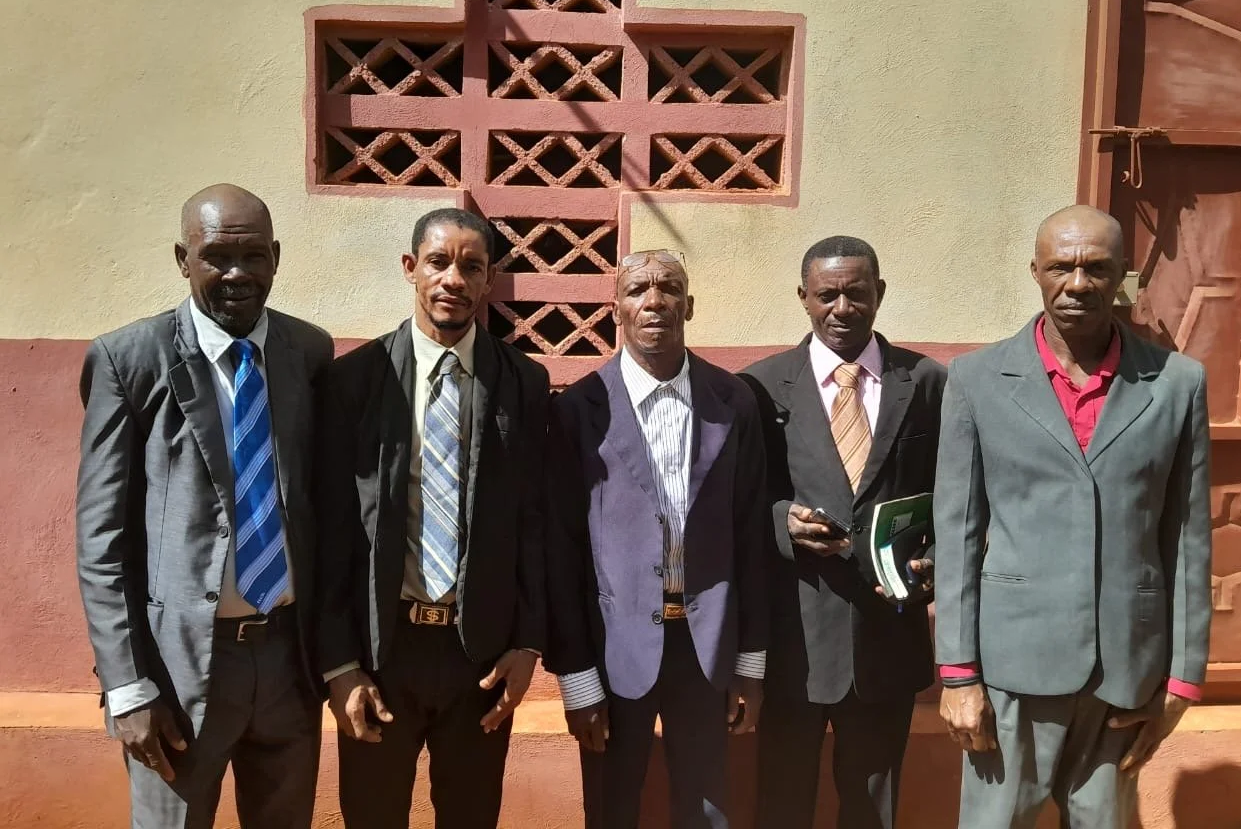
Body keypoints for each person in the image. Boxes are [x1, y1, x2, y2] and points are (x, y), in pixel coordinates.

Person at [933, 204, 1212, 828]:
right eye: (1062, 267)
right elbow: (957, 532)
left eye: (1097, 268)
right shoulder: (977, 380)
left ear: (1123, 275)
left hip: (1126, 667)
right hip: (1012, 667)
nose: (1078, 284)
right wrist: (957, 674)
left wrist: (1182, 679)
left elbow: (1188, 537)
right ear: (1035, 271)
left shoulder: (1177, 383)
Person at [75, 184, 334, 829]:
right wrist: (128, 686)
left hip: (287, 662)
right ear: (182, 259)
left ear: (276, 257)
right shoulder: (130, 359)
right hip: (178, 670)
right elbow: (102, 539)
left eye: (253, 256)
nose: (237, 274)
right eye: (217, 256)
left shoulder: (309, 353)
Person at [315, 207, 550, 829]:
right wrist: (340, 664)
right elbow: (331, 533)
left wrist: (527, 643)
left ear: (490, 279)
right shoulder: (354, 380)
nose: (454, 280)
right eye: (439, 262)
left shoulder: (524, 382)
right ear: (410, 267)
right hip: (381, 651)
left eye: (472, 267)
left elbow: (534, 521)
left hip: (481, 658)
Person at [545, 250, 768, 829]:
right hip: (613, 645)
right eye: (638, 289)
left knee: (708, 808)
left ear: (688, 305)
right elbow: (562, 551)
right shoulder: (579, 408)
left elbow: (752, 535)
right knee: (612, 805)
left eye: (669, 288)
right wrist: (576, 678)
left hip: (706, 645)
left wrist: (750, 661)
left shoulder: (734, 402)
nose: (654, 301)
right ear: (615, 308)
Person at [740, 235, 945, 829]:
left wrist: (935, 558)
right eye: (827, 295)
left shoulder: (927, 382)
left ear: (879, 293)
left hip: (886, 636)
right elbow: (739, 499)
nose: (842, 308)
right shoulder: (760, 387)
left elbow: (955, 494)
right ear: (803, 297)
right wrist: (782, 521)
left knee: (873, 807)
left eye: (856, 293)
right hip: (795, 639)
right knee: (782, 803)